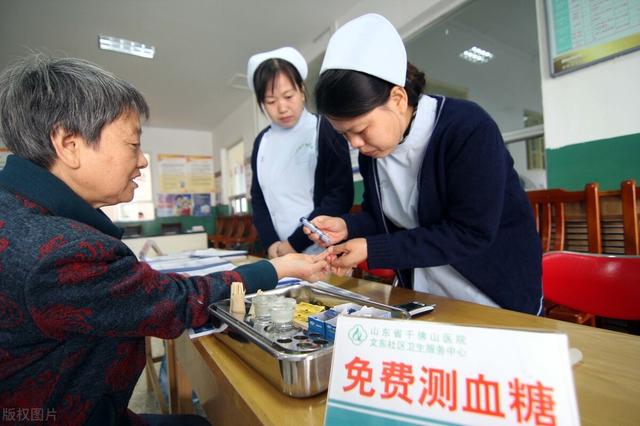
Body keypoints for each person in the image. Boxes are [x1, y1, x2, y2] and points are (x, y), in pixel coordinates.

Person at [0, 55, 329, 426]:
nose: (142, 161)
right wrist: (277, 266)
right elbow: (174, 303)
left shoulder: (16, 206)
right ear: (69, 144)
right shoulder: (61, 252)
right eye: (133, 144)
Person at [307, 14, 542, 315]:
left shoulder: (467, 128)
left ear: (397, 98)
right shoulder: (374, 151)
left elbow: (471, 232)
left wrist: (372, 249)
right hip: (424, 292)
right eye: (344, 135)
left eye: (361, 129)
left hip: (493, 292)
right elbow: (383, 217)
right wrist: (347, 226)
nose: (354, 144)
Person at [247, 47, 353, 259]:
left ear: (302, 90)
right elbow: (258, 198)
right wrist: (272, 244)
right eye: (270, 101)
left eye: (288, 96)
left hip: (321, 249)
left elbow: (340, 195)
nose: (282, 107)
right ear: (261, 104)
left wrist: (293, 244)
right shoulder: (262, 142)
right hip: (278, 253)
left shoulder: (324, 129)